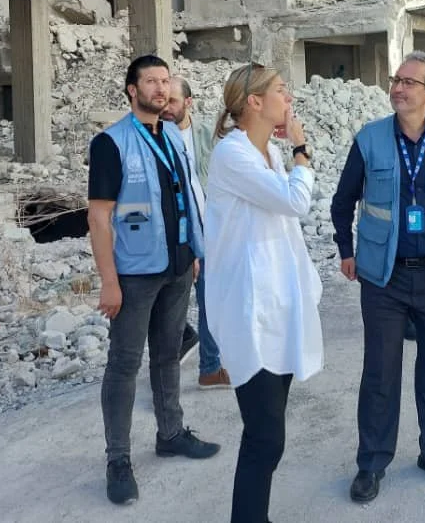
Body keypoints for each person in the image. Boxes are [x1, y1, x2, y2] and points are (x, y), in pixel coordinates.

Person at [331, 51, 425, 504]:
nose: (398, 88)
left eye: (409, 82)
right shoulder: (371, 139)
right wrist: (347, 251)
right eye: (396, 80)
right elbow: (343, 201)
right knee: (380, 372)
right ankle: (371, 462)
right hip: (383, 278)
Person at [87, 55, 220, 507]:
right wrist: (109, 281)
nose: (161, 89)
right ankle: (118, 460)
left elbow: (188, 199)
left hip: (178, 267)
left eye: (165, 81)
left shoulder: (174, 138)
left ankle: (171, 433)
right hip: (135, 273)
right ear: (132, 90)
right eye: (151, 81)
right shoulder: (112, 143)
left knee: (167, 356)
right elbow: (100, 218)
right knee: (124, 365)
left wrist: (194, 254)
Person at [204, 64, 324, 523]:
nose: (288, 96)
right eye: (279, 89)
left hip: (280, 304)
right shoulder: (232, 155)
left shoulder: (268, 154)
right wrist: (302, 148)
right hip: (249, 311)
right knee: (264, 435)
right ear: (254, 102)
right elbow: (295, 201)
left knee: (270, 433)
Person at [161, 75, 230, 389]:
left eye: (173, 101)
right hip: (170, 230)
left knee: (210, 298)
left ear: (189, 103)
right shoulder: (154, 137)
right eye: (162, 100)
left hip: (209, 228)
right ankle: (176, 350)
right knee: (164, 299)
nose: (166, 107)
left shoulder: (207, 135)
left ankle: (210, 368)